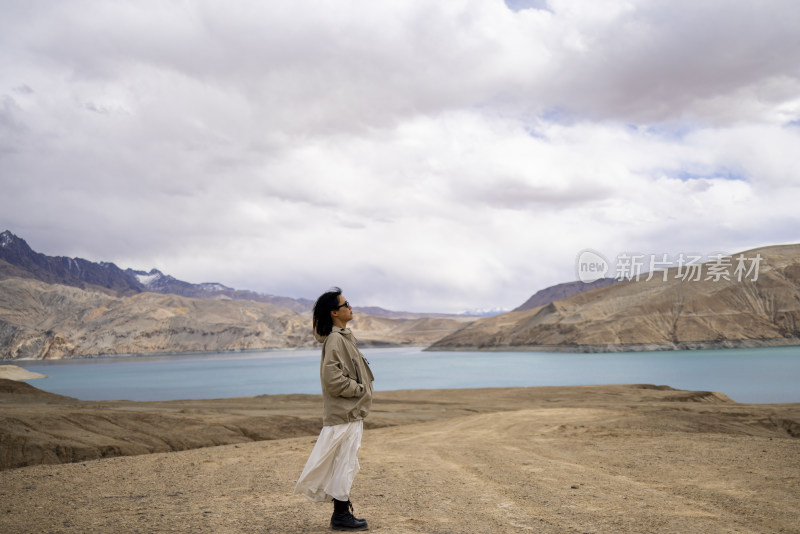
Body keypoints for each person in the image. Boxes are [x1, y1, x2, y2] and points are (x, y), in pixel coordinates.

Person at [294, 287, 375, 531]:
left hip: (349, 413)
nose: (350, 307)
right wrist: (359, 390)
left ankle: (341, 512)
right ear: (334, 313)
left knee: (344, 462)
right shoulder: (336, 340)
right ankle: (341, 515)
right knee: (344, 462)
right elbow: (333, 379)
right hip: (345, 413)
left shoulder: (342, 337)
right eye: (346, 304)